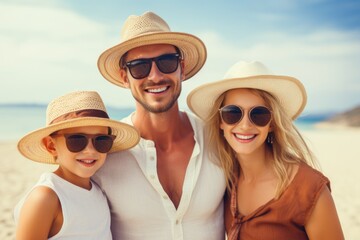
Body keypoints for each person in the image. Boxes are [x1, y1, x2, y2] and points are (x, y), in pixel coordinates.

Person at [93, 11, 226, 240]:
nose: (155, 76)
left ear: (181, 68)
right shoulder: (104, 154)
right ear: (125, 77)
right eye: (139, 67)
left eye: (166, 62)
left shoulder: (219, 139)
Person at [187, 60, 345, 240]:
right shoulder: (225, 182)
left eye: (259, 114)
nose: (245, 125)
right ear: (221, 122)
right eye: (233, 113)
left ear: (272, 123)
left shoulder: (309, 189)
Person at [14, 91, 139, 240]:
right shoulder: (46, 198)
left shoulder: (98, 190)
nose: (90, 150)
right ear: (51, 146)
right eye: (77, 140)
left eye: (101, 141)